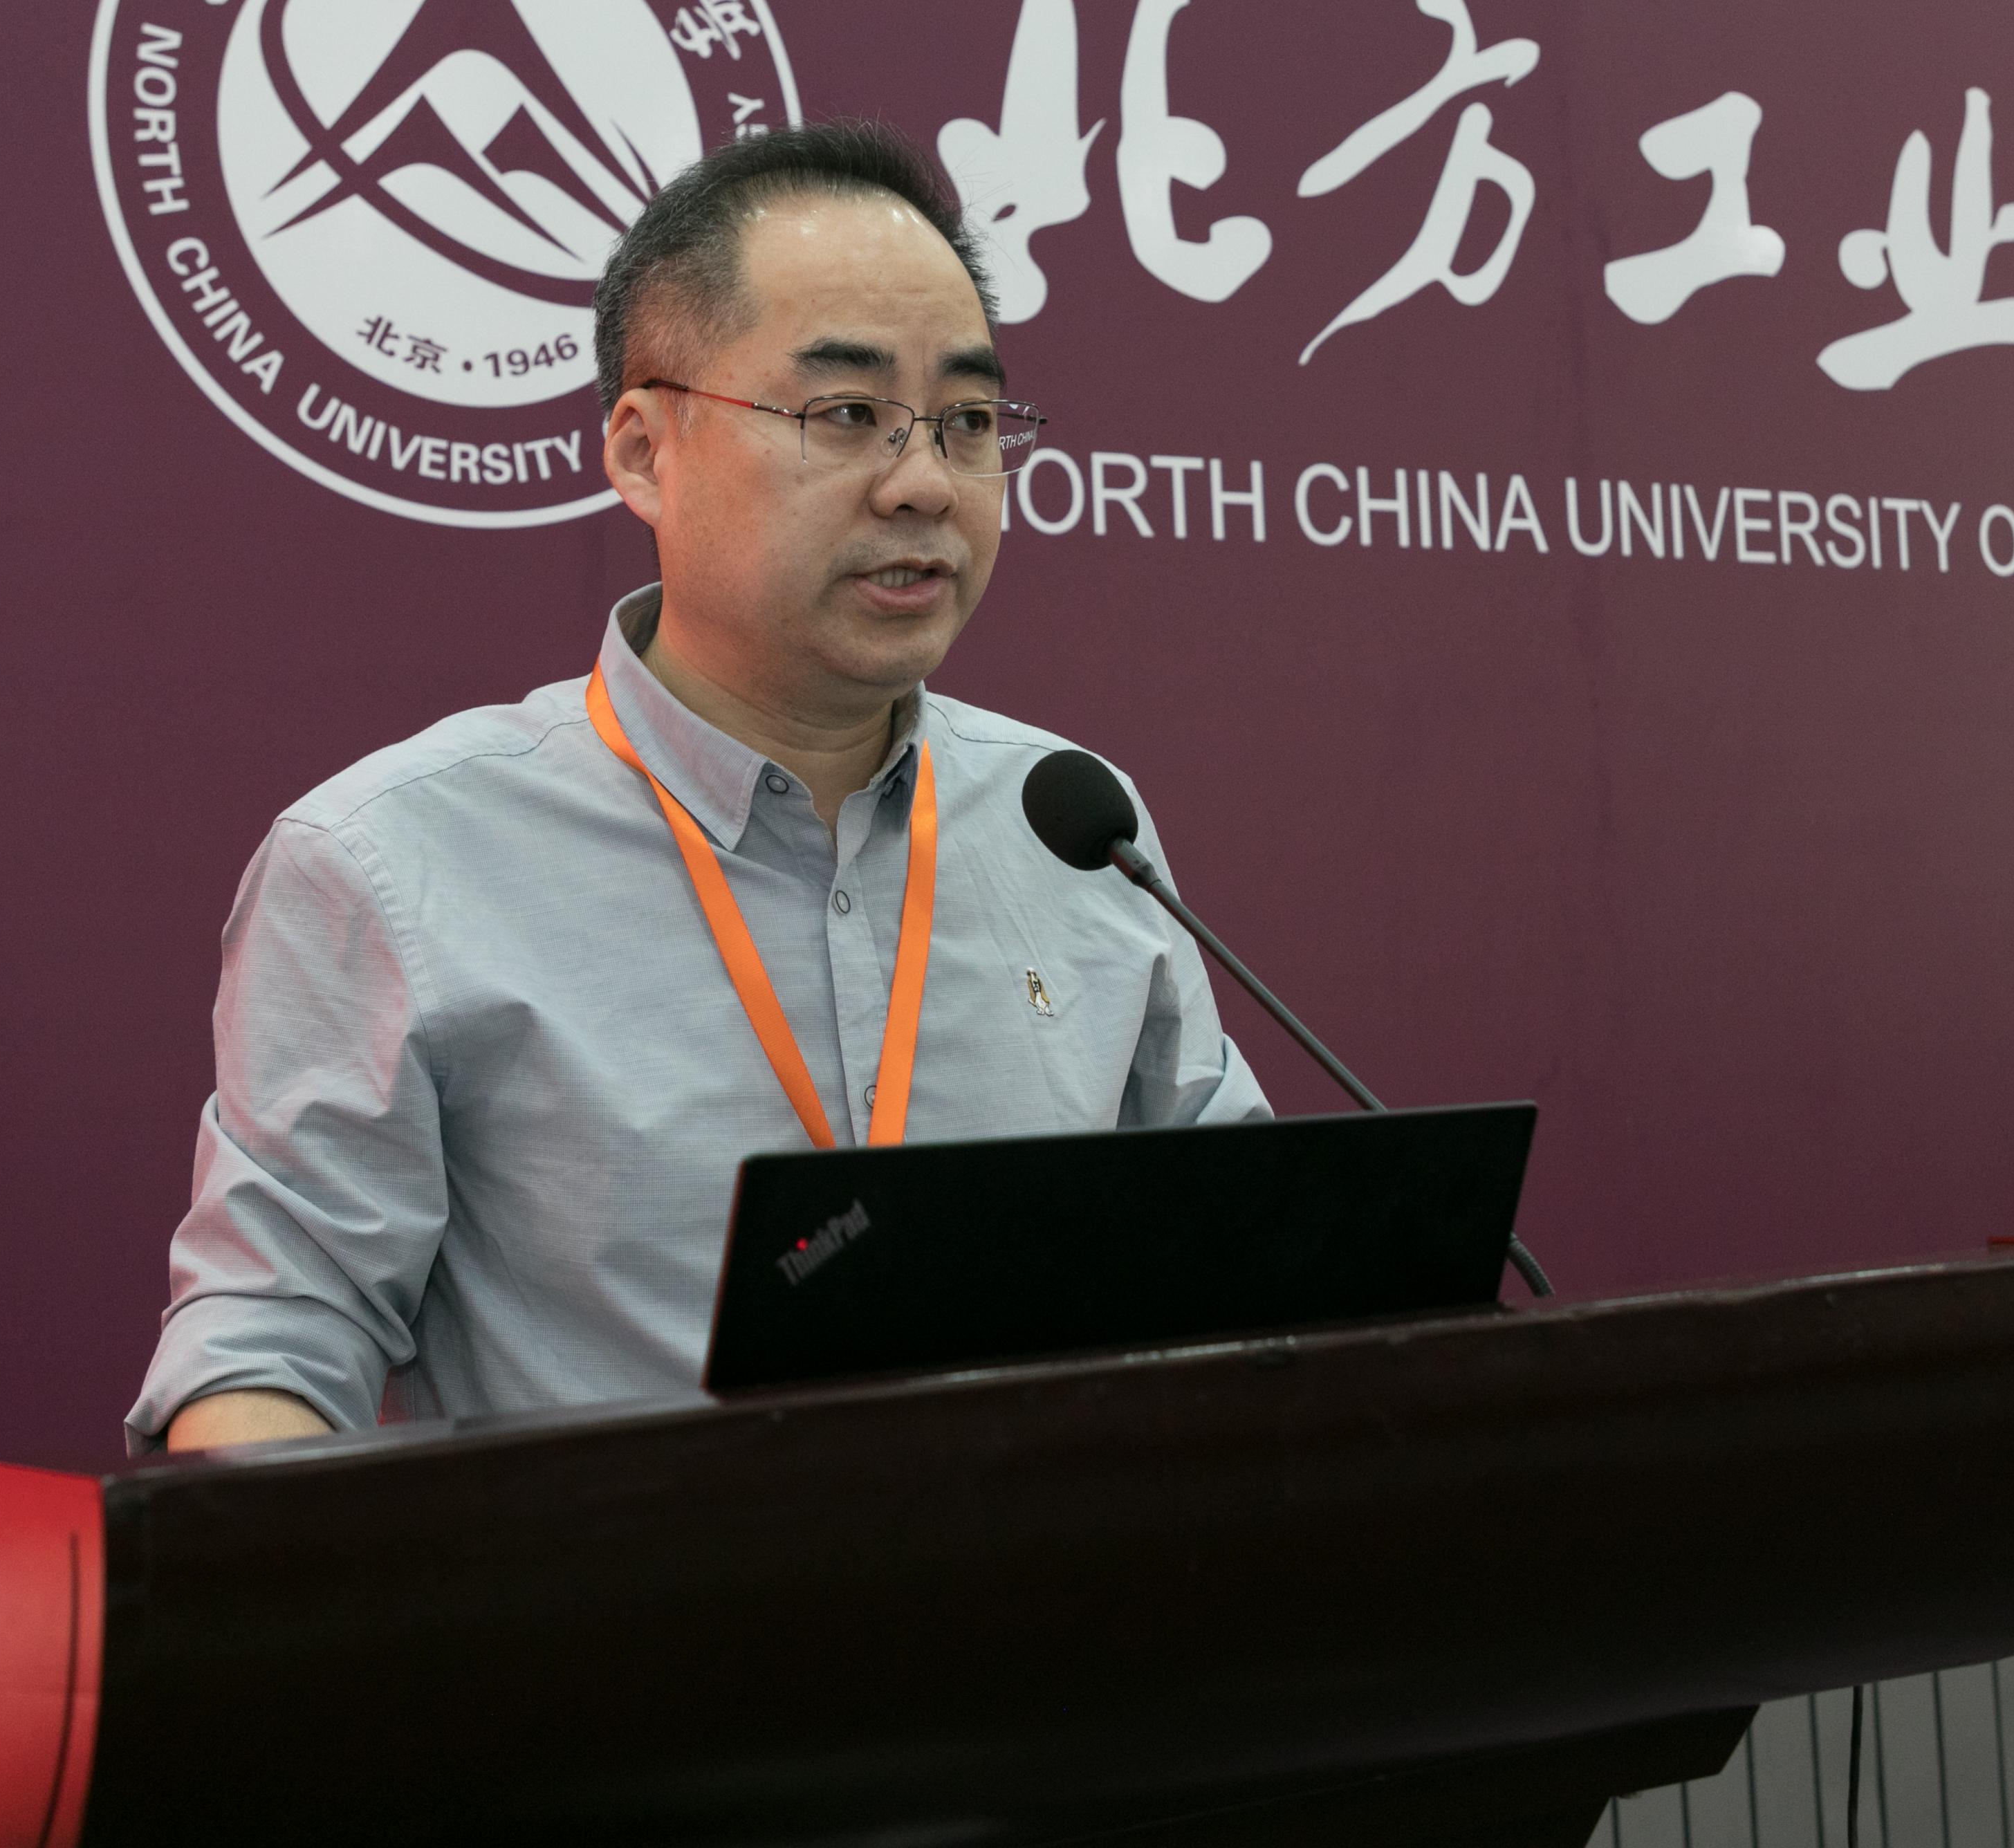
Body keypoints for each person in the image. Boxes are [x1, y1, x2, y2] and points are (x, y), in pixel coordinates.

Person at [130, 122, 1268, 1452]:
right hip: (628, 1586)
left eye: (966, 422)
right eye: (846, 416)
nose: (923, 484)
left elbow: (1255, 1254)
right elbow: (268, 1343)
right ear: (641, 451)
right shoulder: (394, 863)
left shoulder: (1071, 825)